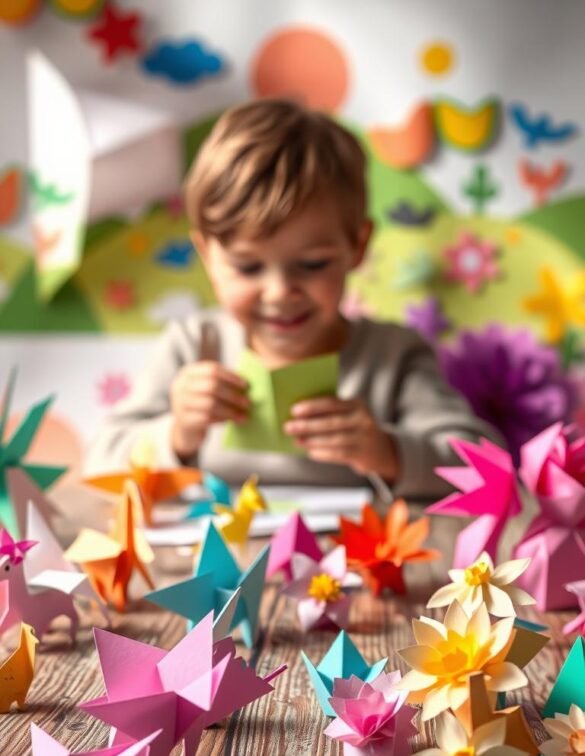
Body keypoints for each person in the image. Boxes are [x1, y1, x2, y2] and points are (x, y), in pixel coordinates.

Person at [85, 98, 501, 500]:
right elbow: (100, 464)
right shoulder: (194, 346)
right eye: (249, 267)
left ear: (357, 247)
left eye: (312, 264)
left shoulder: (392, 356)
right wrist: (178, 433)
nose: (280, 292)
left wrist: (387, 452)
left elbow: (486, 467)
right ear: (208, 256)